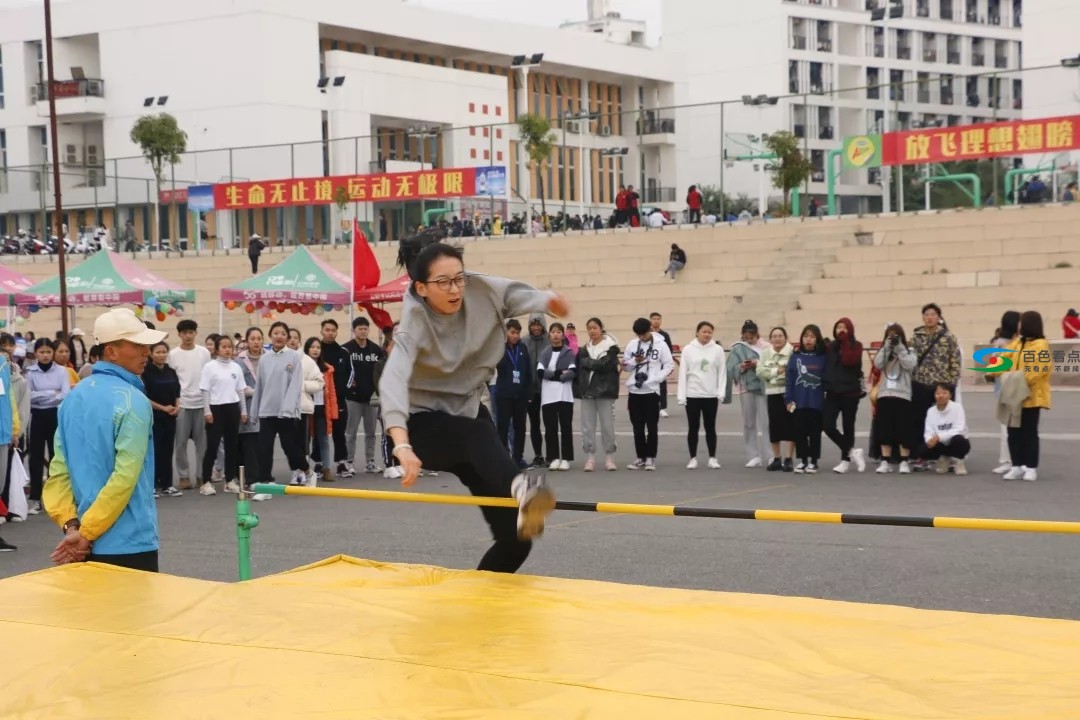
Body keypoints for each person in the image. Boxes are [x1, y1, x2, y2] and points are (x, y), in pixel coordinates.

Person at [379, 230, 565, 573]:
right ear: (420, 285)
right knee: (476, 435)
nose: (454, 289)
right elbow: (392, 381)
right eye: (443, 282)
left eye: (458, 278)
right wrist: (401, 446)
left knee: (515, 539)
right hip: (423, 423)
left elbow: (517, 294)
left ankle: (484, 599)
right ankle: (526, 485)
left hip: (468, 414)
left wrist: (548, 300)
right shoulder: (413, 322)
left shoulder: (477, 287)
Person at [44, 308, 167, 571]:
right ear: (111, 351)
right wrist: (86, 533)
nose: (146, 352)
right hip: (129, 541)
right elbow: (125, 478)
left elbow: (58, 471)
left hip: (81, 539)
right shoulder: (133, 401)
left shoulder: (73, 398)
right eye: (137, 345)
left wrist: (72, 526)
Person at [250, 322, 315, 487]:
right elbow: (260, 387)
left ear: (287, 337)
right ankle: (265, 481)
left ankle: (308, 471)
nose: (279, 336)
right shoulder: (265, 358)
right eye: (276, 333)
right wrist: (254, 411)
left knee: (290, 447)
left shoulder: (293, 357)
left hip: (286, 412)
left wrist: (287, 409)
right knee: (263, 447)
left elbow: (295, 386)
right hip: (267, 410)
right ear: (271, 336)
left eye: (283, 334)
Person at [1001, 311, 1051, 482]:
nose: (1019, 325)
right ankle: (1016, 465)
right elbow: (1004, 359)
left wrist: (1017, 380)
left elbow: (1039, 369)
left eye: (1022, 322)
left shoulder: (1041, 345)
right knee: (1013, 431)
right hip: (1014, 395)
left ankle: (1030, 467)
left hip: (1030, 397)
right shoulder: (1016, 343)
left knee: (1029, 433)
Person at [198, 335, 248, 496]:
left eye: (230, 347)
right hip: (215, 408)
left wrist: (244, 410)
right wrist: (207, 411)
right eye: (224, 347)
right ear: (217, 349)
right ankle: (205, 481)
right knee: (212, 446)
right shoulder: (210, 367)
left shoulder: (236, 367)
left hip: (232, 408)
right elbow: (205, 389)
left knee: (232, 446)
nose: (228, 350)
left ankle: (230, 480)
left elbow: (241, 390)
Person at [25, 339, 70, 515]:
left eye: (48, 352)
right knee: (35, 458)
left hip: (55, 415)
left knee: (56, 457)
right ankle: (36, 499)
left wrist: (42, 395)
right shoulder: (29, 372)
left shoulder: (62, 371)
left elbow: (65, 394)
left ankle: (56, 498)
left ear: (53, 353)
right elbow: (29, 396)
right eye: (41, 352)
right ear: (35, 353)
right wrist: (52, 393)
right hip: (36, 416)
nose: (45, 355)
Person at [623, 317, 674, 470]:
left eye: (643, 335)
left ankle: (651, 457)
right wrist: (634, 362)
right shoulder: (632, 344)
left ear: (649, 330)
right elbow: (625, 366)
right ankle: (640, 457)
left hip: (652, 390)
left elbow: (669, 365)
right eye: (638, 335)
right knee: (637, 427)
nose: (641, 338)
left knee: (652, 426)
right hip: (635, 390)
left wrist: (657, 379)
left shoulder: (661, 344)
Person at [168, 319, 211, 490]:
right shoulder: (173, 354)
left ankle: (202, 475)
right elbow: (172, 379)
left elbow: (209, 377)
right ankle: (184, 475)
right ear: (179, 334)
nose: (188, 336)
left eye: (191, 332)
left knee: (203, 443)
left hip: (201, 403)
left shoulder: (204, 353)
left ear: (195, 333)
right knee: (180, 443)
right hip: (183, 404)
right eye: (184, 333)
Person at [677, 321, 726, 470]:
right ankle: (693, 458)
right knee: (693, 427)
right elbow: (683, 372)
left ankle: (712, 457)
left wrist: (720, 392)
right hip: (693, 394)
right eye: (704, 331)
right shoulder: (688, 349)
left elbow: (722, 371)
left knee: (710, 426)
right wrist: (682, 395)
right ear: (697, 332)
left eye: (709, 332)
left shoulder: (717, 350)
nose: (707, 334)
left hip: (710, 395)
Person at [575, 317, 621, 472]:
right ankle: (590, 458)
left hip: (605, 391)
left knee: (607, 426)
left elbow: (605, 365)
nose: (592, 331)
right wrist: (591, 364)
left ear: (601, 328)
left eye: (595, 327)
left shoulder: (611, 348)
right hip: (587, 392)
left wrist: (589, 363)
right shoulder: (583, 349)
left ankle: (609, 457)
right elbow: (581, 366)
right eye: (589, 328)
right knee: (587, 426)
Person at [823, 318, 866, 474]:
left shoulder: (856, 346)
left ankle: (845, 460)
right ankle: (852, 451)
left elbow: (849, 360)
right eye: (838, 327)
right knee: (827, 425)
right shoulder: (831, 347)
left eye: (844, 328)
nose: (841, 330)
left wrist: (846, 341)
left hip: (850, 393)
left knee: (848, 426)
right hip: (833, 392)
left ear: (850, 329)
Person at [873, 323, 917, 474]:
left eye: (895, 336)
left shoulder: (909, 350)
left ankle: (904, 462)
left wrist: (900, 348)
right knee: (885, 428)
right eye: (890, 336)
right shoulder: (885, 350)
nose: (892, 339)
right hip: (885, 393)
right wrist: (886, 347)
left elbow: (910, 365)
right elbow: (877, 364)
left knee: (903, 429)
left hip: (903, 394)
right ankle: (885, 461)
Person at [343, 317, 385, 475]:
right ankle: (348, 462)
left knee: (371, 433)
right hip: (353, 399)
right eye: (360, 328)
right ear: (354, 330)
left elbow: (381, 370)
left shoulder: (375, 350)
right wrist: (349, 383)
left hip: (371, 399)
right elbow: (342, 370)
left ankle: (370, 462)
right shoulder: (346, 349)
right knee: (351, 432)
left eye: (365, 328)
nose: (363, 331)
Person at [727, 320, 770, 468]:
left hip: (763, 386)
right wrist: (742, 366)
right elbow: (731, 368)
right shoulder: (738, 348)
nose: (749, 340)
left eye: (752, 336)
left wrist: (758, 363)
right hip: (746, 387)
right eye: (746, 337)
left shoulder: (766, 347)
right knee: (749, 422)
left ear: (757, 334)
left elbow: (770, 364)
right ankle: (753, 455)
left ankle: (770, 455)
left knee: (766, 422)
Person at [785, 325, 827, 474]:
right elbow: (789, 380)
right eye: (805, 336)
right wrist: (788, 400)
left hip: (816, 403)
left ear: (817, 339)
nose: (808, 339)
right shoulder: (795, 357)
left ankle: (814, 461)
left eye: (812, 336)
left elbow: (826, 380)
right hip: (798, 402)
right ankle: (803, 461)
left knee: (815, 433)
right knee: (799, 432)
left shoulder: (823, 357)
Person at [142, 341, 182, 497]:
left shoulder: (171, 371)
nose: (161, 355)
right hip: (154, 416)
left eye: (164, 352)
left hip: (171, 416)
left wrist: (177, 406)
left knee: (167, 450)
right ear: (151, 354)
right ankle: (152, 485)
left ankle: (167, 484)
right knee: (154, 450)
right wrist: (163, 407)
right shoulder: (145, 372)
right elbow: (145, 397)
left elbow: (177, 392)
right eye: (158, 352)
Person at [537, 322, 576, 471]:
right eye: (553, 332)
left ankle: (566, 458)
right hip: (548, 396)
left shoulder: (568, 353)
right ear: (549, 335)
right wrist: (559, 374)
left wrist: (552, 375)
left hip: (565, 396)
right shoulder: (545, 352)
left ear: (562, 334)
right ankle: (552, 458)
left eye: (558, 332)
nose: (555, 335)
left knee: (566, 427)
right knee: (550, 428)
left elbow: (572, 372)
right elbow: (540, 372)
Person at [494, 319, 533, 468]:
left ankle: (518, 457)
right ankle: (503, 458)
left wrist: (529, 393)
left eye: (517, 333)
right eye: (512, 333)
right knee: (503, 426)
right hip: (504, 394)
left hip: (520, 395)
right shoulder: (499, 349)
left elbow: (528, 371)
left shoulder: (522, 348)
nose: (515, 336)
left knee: (520, 427)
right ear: (506, 333)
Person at [757, 327, 795, 472]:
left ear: (785, 338)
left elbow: (792, 372)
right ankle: (777, 458)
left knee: (791, 423)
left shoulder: (793, 353)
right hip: (772, 394)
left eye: (780, 336)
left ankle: (789, 459)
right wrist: (778, 371)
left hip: (790, 396)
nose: (777, 338)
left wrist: (771, 374)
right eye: (774, 336)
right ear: (770, 339)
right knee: (774, 425)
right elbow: (760, 372)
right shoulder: (765, 354)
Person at [318, 319, 352, 478]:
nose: (330, 332)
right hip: (319, 399)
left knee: (339, 431)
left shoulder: (343, 352)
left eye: (333, 330)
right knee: (319, 431)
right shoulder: (316, 350)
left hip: (338, 399)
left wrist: (343, 390)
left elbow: (351, 373)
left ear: (337, 332)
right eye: (327, 329)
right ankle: (318, 463)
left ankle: (342, 462)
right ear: (321, 331)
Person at [991, 311, 1021, 475]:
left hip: (1017, 389)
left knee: (1017, 428)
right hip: (1005, 390)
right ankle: (1007, 460)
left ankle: (1016, 460)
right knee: (1006, 428)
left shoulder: (1021, 342)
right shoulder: (1002, 344)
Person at [305, 337, 337, 484]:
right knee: (305, 440)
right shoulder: (302, 366)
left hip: (322, 408)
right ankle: (305, 470)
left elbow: (332, 393)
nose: (315, 350)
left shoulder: (327, 369)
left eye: (318, 347)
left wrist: (333, 410)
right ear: (307, 349)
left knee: (324, 439)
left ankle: (327, 469)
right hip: (306, 407)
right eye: (312, 347)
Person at [922, 383, 970, 475]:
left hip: (955, 441)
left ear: (950, 395)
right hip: (940, 443)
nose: (941, 396)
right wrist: (929, 440)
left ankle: (959, 461)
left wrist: (940, 437)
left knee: (959, 440)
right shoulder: (931, 411)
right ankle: (943, 458)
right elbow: (928, 430)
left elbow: (959, 429)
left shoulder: (957, 407)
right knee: (923, 449)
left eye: (944, 393)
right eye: (938, 393)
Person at [523, 314, 549, 466]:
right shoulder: (524, 342)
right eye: (533, 324)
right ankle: (538, 454)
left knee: (549, 423)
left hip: (547, 388)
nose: (536, 327)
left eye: (539, 324)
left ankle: (551, 455)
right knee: (534, 423)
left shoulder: (549, 341)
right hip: (531, 389)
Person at [649, 313, 673, 418]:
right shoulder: (647, 334)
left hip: (662, 365)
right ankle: (651, 407)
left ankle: (662, 408)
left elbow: (669, 350)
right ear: (650, 320)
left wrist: (668, 365)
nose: (656, 321)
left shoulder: (665, 335)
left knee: (662, 387)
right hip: (649, 365)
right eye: (654, 319)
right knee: (649, 386)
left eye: (658, 319)